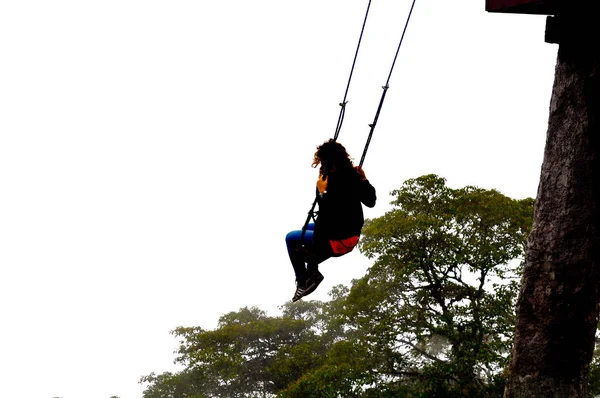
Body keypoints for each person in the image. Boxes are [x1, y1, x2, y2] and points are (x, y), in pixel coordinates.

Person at [285, 139, 376, 302]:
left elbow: (328, 215)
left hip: (339, 239)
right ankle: (312, 271)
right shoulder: (351, 176)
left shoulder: (331, 182)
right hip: (349, 233)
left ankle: (303, 280)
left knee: (291, 238)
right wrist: (364, 181)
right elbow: (371, 201)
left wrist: (321, 192)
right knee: (307, 229)